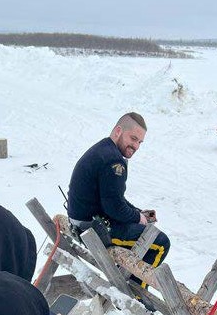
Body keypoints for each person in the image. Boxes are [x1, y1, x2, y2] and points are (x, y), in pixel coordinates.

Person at [67, 112, 170, 271]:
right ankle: (136, 293)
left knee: (141, 230)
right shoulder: (114, 161)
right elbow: (114, 207)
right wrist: (137, 217)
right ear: (118, 132)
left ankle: (125, 275)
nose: (136, 146)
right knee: (161, 242)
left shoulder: (104, 149)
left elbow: (114, 198)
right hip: (92, 229)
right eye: (133, 139)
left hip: (82, 221)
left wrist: (138, 213)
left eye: (140, 142)